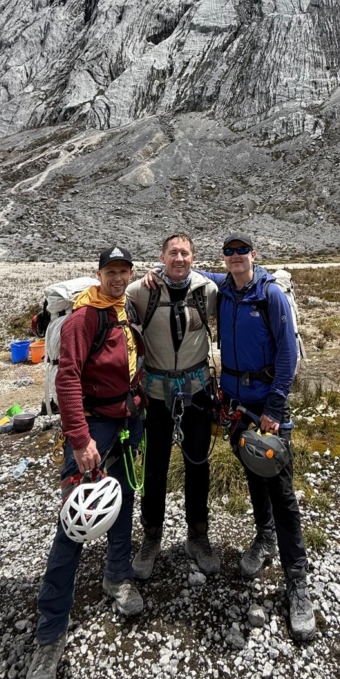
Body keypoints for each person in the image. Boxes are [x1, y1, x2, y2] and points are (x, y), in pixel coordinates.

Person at [23, 246, 146, 679]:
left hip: (129, 420)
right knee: (74, 521)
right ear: (99, 275)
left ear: (130, 275)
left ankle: (117, 576)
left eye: (124, 272)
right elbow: (67, 378)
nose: (117, 278)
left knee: (122, 502)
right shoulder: (83, 318)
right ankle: (50, 633)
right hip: (93, 427)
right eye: (111, 272)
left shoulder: (125, 308)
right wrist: (79, 438)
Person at [204, 232, 316, 643]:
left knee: (282, 493)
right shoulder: (223, 288)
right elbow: (191, 271)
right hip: (235, 405)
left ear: (254, 255)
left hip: (267, 408)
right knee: (253, 473)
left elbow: (287, 353)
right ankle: (264, 537)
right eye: (229, 252)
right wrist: (159, 272)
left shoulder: (269, 296)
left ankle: (297, 584)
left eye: (242, 251)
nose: (236, 258)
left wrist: (274, 408)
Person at [126, 233, 220, 578]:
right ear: (162, 257)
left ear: (194, 257)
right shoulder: (141, 291)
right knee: (155, 468)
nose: (179, 259)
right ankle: (151, 536)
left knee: (198, 464)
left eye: (185, 253)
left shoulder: (208, 290)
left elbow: (242, 279)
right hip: (157, 395)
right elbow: (110, 297)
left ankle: (198, 535)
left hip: (197, 393)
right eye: (172, 253)